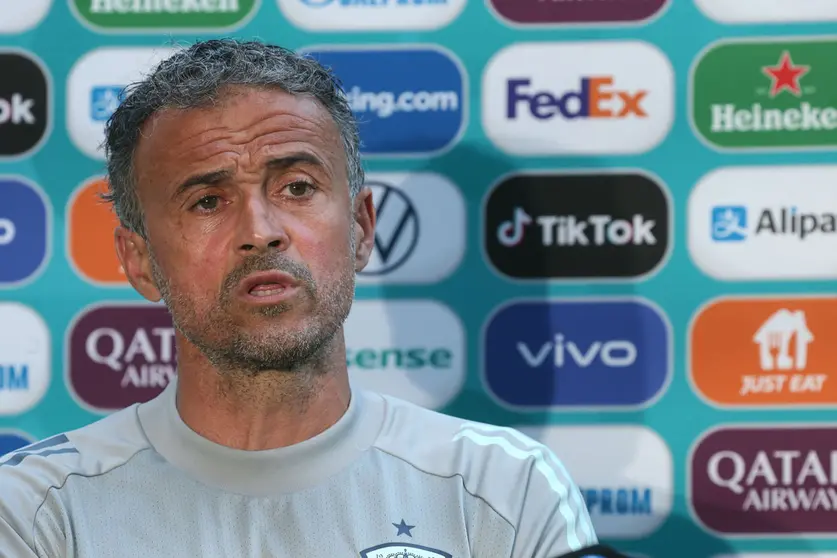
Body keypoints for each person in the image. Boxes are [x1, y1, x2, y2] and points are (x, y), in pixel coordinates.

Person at [0, 39, 599, 557]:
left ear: (361, 228)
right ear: (139, 261)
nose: (260, 229)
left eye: (297, 186)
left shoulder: (503, 490)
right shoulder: (36, 513)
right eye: (207, 201)